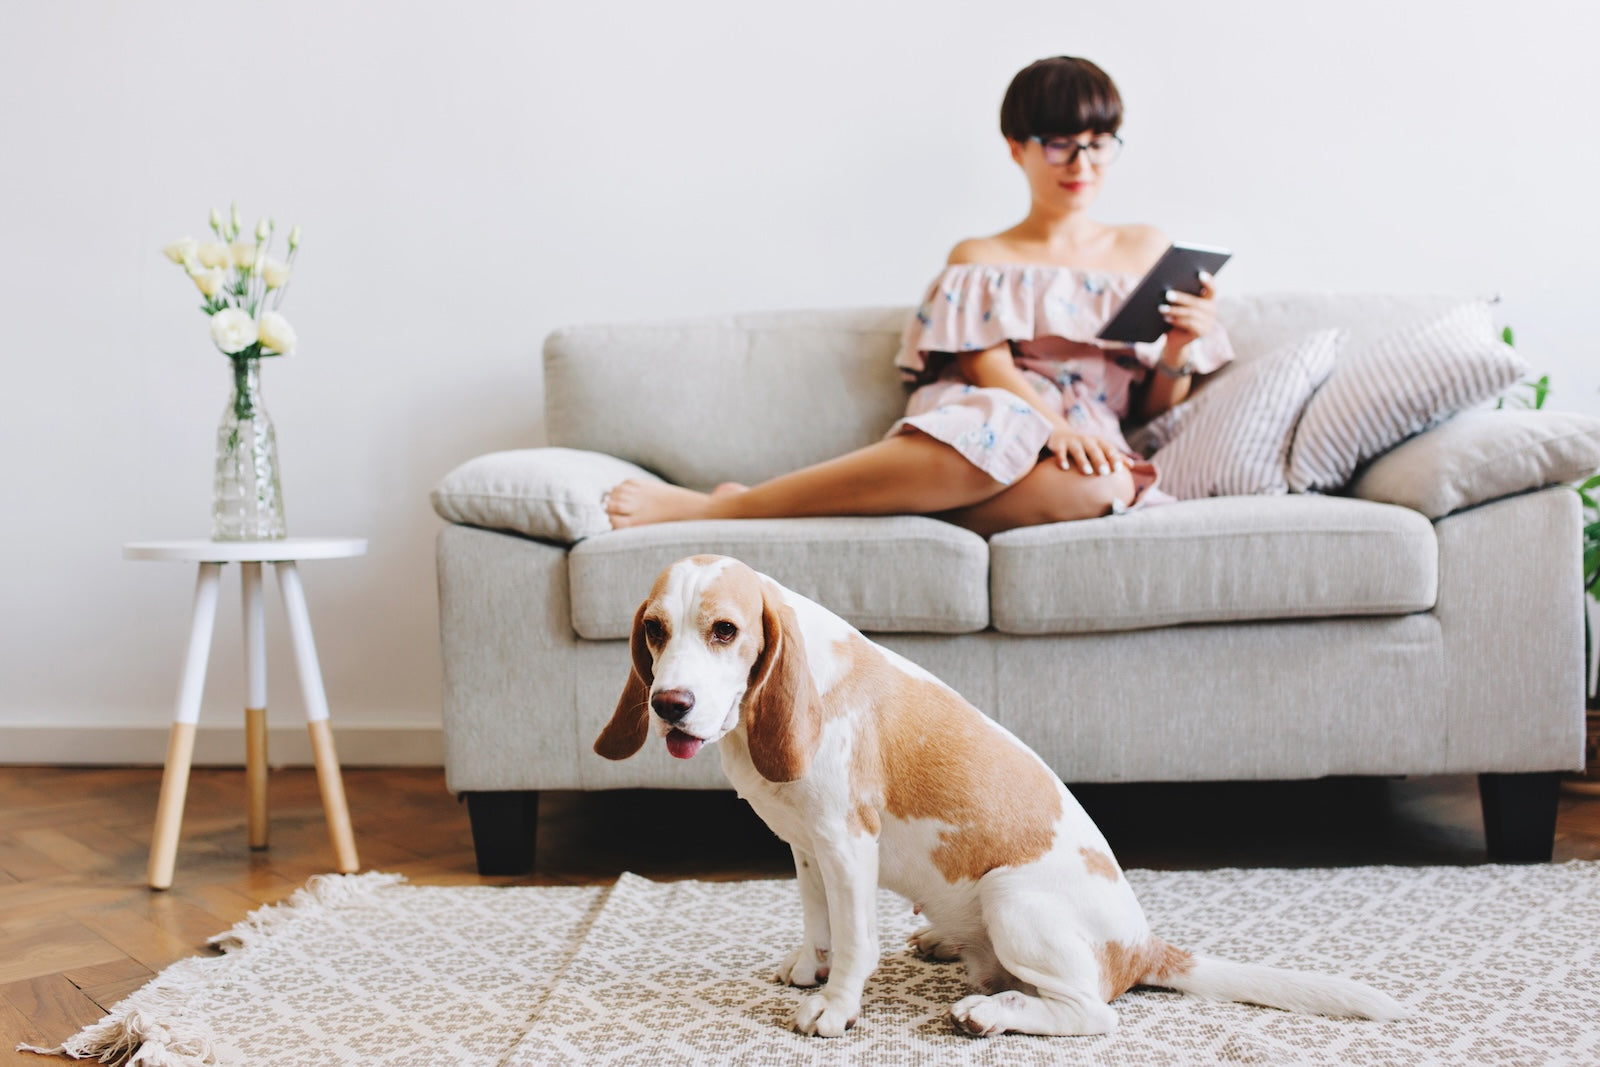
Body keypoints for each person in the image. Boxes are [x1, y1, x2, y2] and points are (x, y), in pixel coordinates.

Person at [605, 56, 1233, 537]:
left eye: (1098, 142)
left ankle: (884, 514)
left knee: (1106, 484)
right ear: (1017, 149)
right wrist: (1052, 424)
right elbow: (986, 365)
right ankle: (735, 509)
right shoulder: (980, 256)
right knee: (999, 431)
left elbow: (1152, 405)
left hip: (1087, 437)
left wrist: (1178, 347)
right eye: (1060, 143)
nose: (1082, 163)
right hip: (998, 408)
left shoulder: (1146, 247)